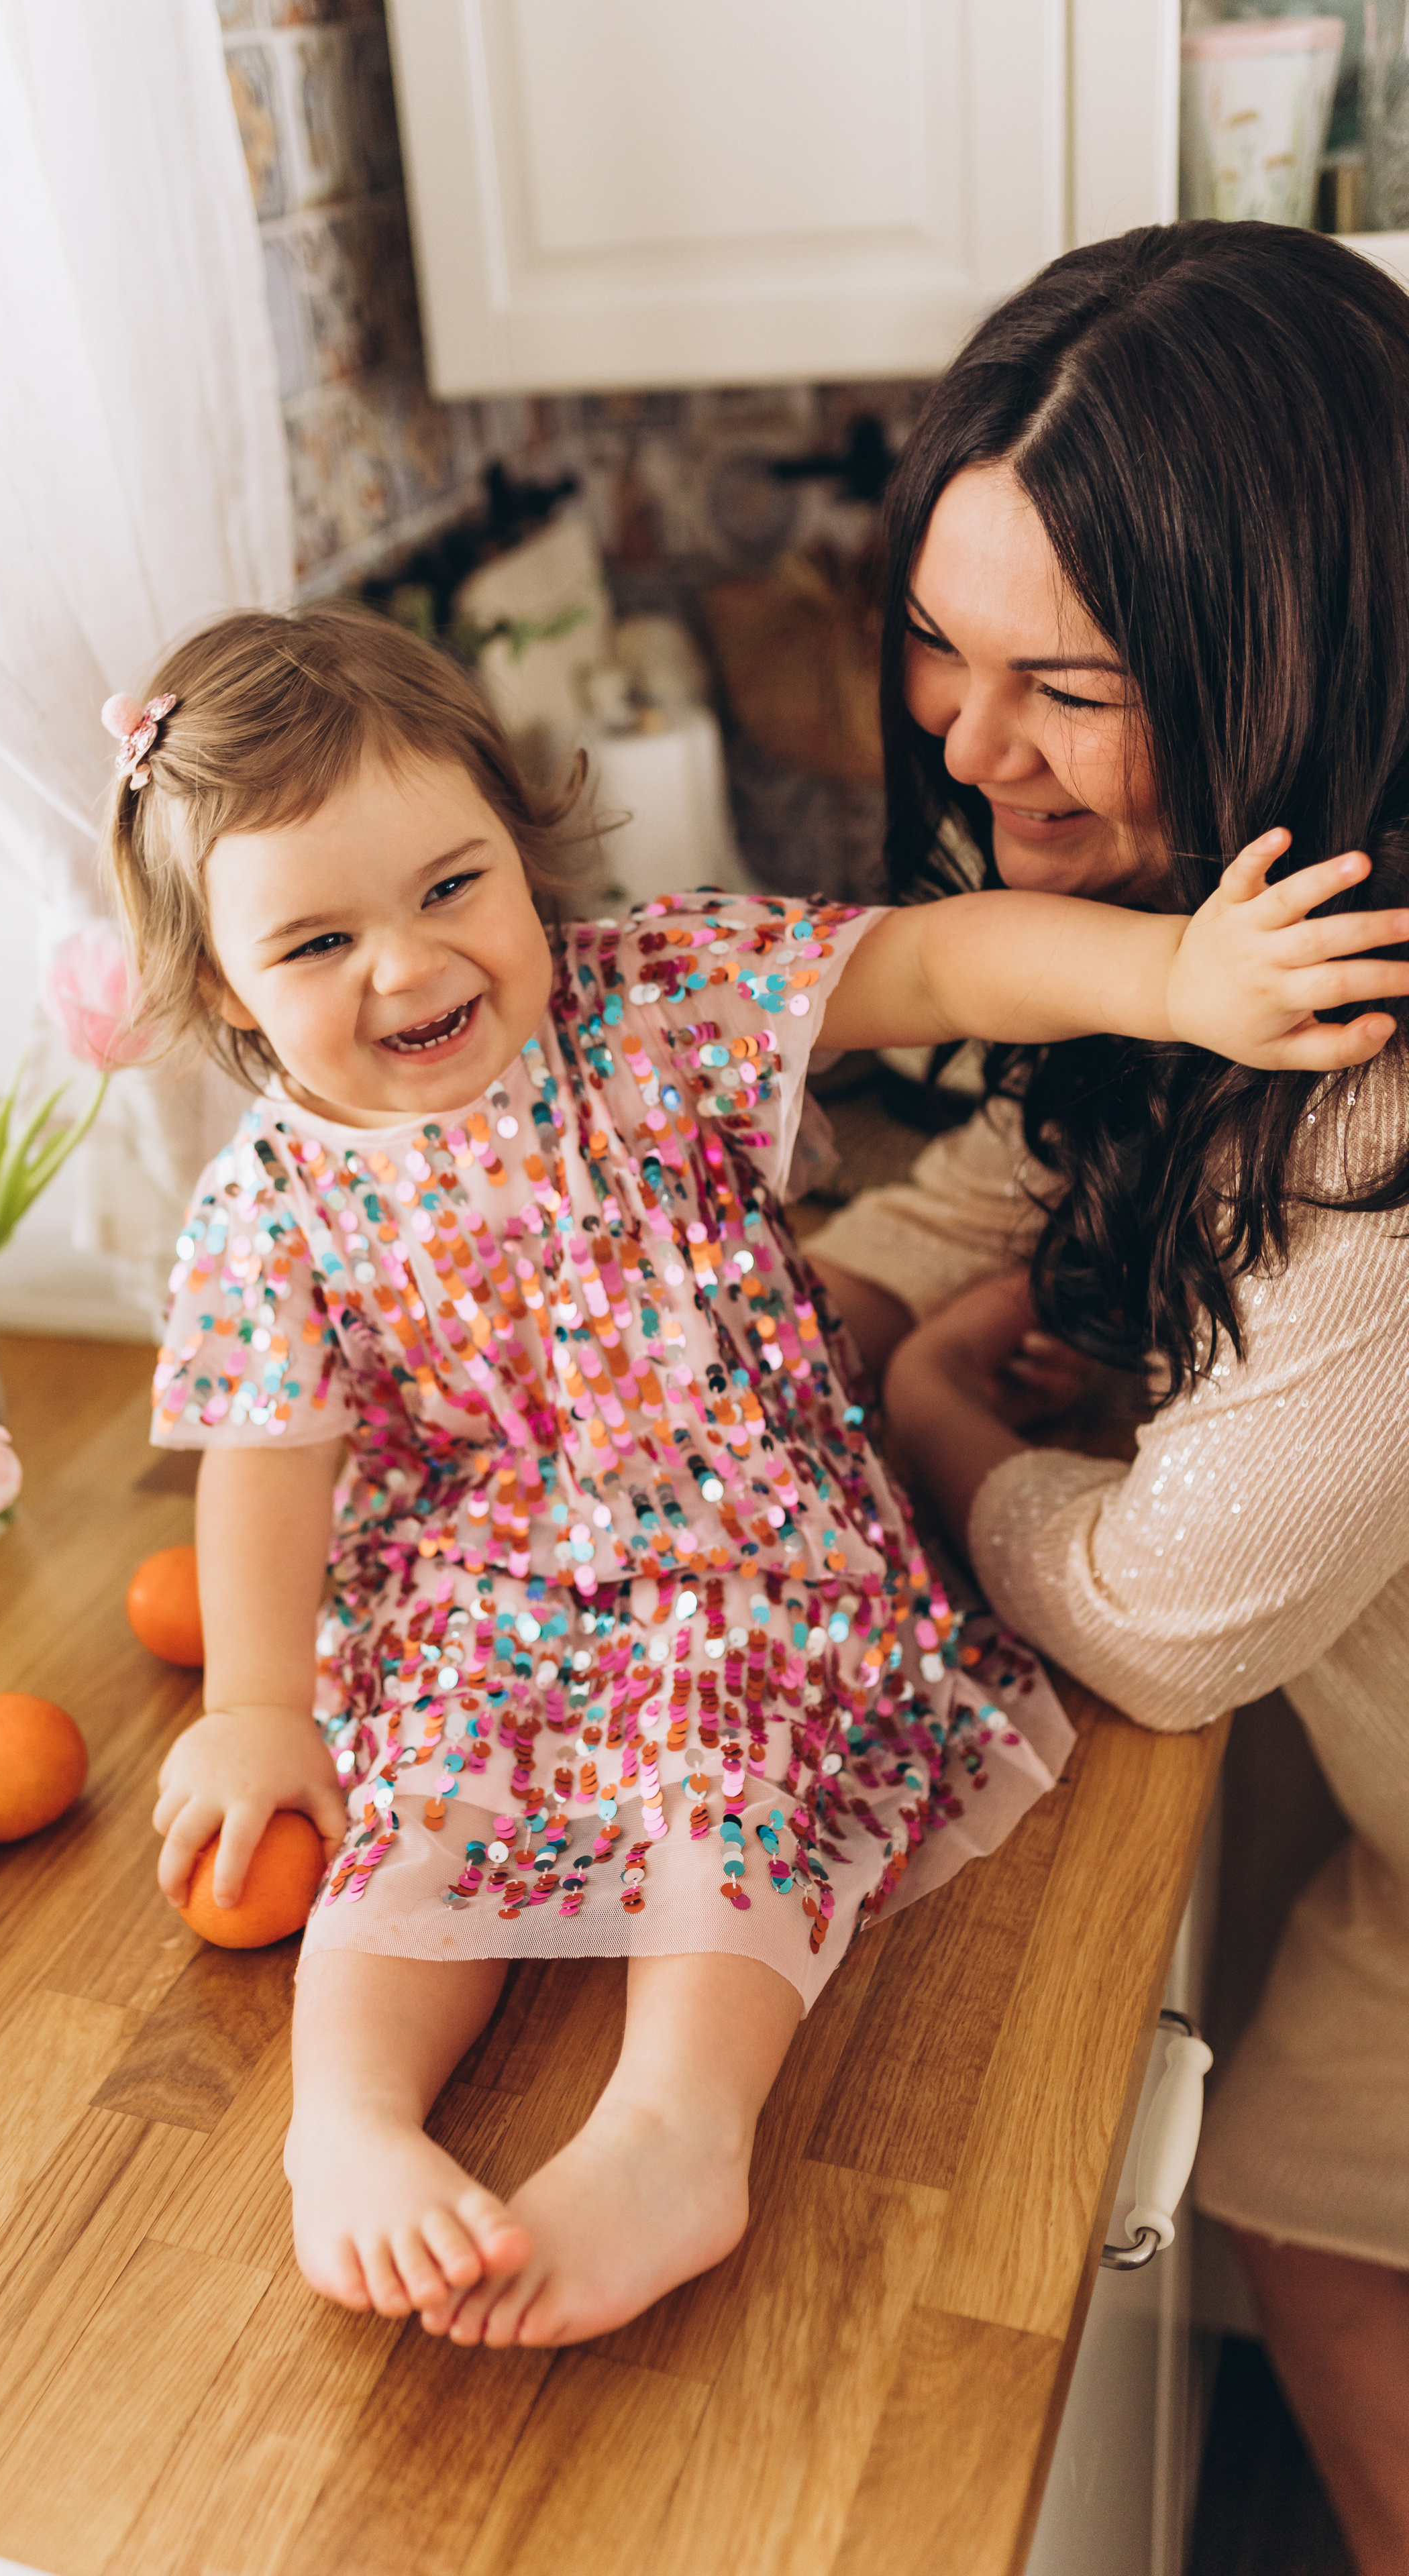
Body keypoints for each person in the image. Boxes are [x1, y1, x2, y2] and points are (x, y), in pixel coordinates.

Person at [101, 601, 1402, 2356]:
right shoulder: (268, 1200)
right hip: (483, 1585)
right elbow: (266, 1462)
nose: (407, 967)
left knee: (741, 1766)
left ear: (522, 851)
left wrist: (1173, 981)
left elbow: (935, 969)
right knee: (412, 1801)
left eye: (449, 887)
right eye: (317, 939)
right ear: (214, 988)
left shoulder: (652, 998)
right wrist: (262, 1706)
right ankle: (347, 2127)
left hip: (751, 1541)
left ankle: (672, 2132)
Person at [802, 221, 1409, 2575]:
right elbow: (1019, 1172)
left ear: (1304, 643)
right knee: (1312, 2209)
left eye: (1062, 679)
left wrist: (950, 1422)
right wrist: (824, 1300)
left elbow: (1169, 1618)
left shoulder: (1368, 1093)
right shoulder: (1237, 927)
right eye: (939, 654)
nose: (969, 744)